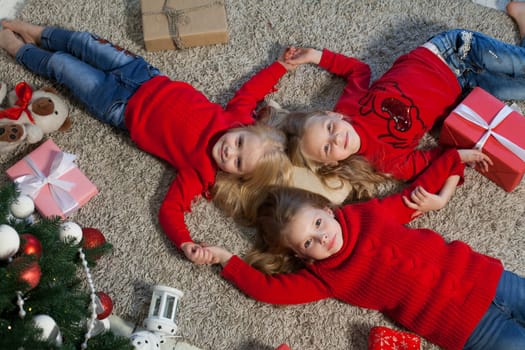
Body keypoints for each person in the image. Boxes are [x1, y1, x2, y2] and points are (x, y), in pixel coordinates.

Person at [0, 20, 295, 264]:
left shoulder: (201, 172)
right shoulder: (236, 117)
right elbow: (252, 90)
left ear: (237, 176)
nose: (231, 150)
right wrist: (280, 66)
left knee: (62, 66)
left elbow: (170, 209)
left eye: (238, 161)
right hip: (143, 74)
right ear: (247, 128)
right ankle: (37, 32)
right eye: (240, 142)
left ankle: (18, 49)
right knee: (84, 42)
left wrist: (184, 242)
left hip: (117, 106)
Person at [206, 149, 525, 350]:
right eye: (308, 243)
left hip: (487, 277)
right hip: (468, 328)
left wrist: (453, 159)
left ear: (327, 210)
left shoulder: (368, 214)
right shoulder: (325, 278)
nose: (321, 238)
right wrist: (226, 260)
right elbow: (269, 290)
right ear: (301, 257)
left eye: (317, 224)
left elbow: (415, 195)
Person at [261, 3, 525, 197]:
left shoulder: (349, 108)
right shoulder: (384, 161)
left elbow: (358, 71)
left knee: (519, 65)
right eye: (329, 148)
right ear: (331, 163)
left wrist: (315, 56)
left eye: (330, 129)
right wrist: (456, 166)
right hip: (464, 90)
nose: (337, 138)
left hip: (448, 53)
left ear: (333, 116)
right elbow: (433, 159)